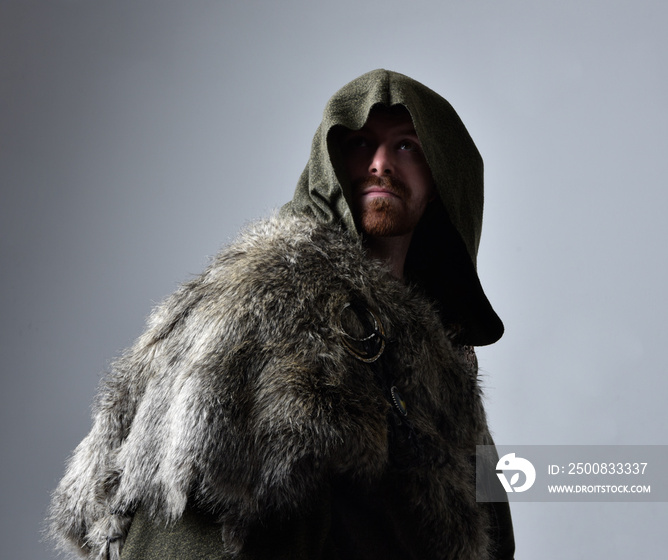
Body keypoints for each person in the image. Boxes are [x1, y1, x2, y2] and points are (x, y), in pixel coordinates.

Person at [48, 69, 515, 559]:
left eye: (406, 147)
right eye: (360, 144)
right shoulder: (269, 306)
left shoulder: (445, 359)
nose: (379, 165)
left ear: (440, 175)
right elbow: (188, 517)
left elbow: (488, 528)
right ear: (331, 164)